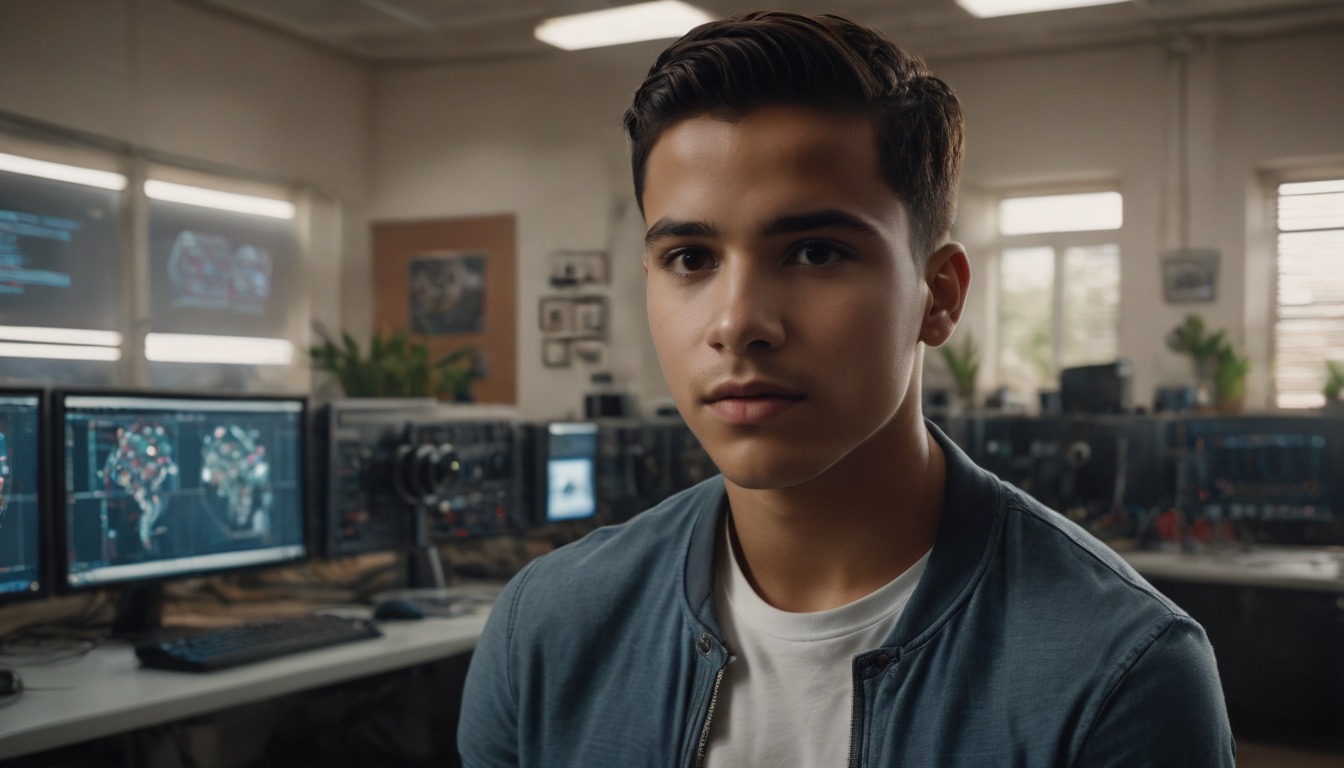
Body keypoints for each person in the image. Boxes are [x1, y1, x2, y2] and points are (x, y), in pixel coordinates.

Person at [459, 11, 1234, 767]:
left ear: (939, 297)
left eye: (815, 252)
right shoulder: (546, 627)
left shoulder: (1121, 672)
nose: (737, 324)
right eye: (691, 258)